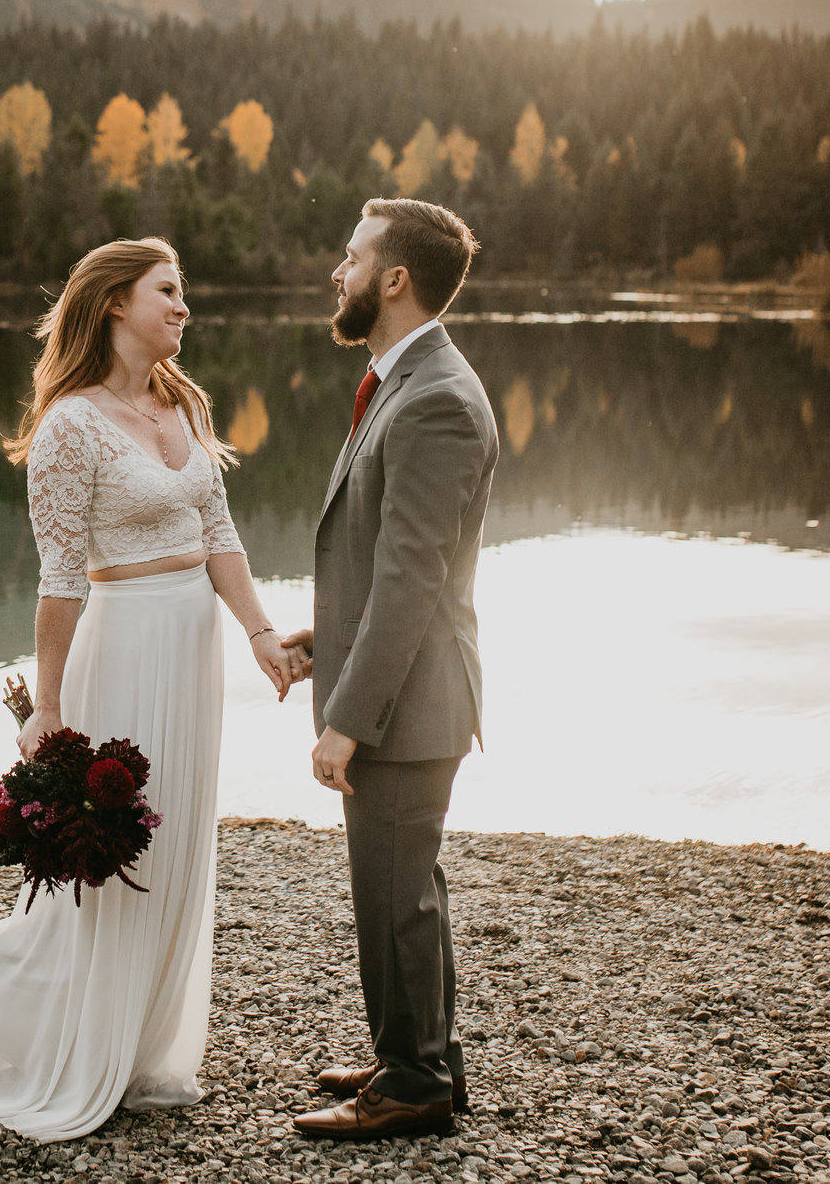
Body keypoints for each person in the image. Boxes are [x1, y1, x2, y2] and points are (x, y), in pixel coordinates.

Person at [0, 237, 300, 1142]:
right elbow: (60, 579)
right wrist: (50, 703)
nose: (184, 307)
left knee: (180, 841)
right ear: (116, 303)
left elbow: (219, 527)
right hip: (124, 644)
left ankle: (143, 1048)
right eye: (168, 291)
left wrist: (261, 634)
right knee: (120, 860)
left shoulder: (181, 400)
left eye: (183, 291)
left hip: (193, 646)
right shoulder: (71, 427)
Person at [280, 198, 497, 1142]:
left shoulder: (436, 398)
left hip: (410, 703)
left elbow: (413, 582)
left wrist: (347, 718)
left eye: (352, 255)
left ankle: (412, 1085)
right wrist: (321, 638)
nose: (339, 270)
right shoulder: (405, 379)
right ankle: (420, 1054)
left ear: (394, 278)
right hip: (400, 686)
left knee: (398, 893)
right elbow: (390, 561)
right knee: (402, 886)